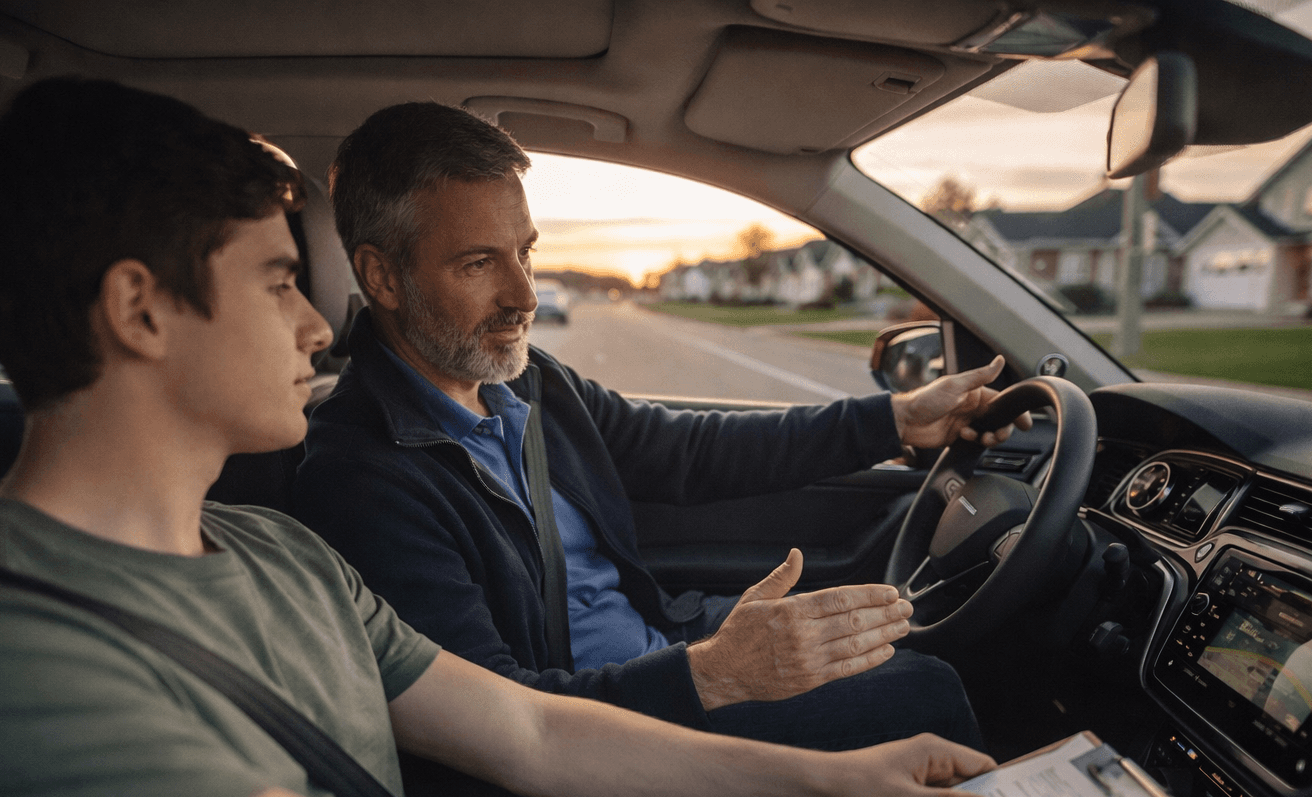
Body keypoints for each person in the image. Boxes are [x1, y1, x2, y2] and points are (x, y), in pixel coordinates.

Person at [0, 78, 1220, 797]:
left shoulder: (270, 553)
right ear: (142, 310)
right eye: (279, 279)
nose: (319, 328)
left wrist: (838, 778)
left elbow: (537, 740)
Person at [294, 101, 1031, 754]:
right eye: (479, 262)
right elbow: (497, 714)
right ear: (383, 278)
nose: (523, 294)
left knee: (920, 641)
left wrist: (895, 420)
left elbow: (685, 449)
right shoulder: (361, 473)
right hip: (616, 722)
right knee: (929, 690)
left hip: (667, 646)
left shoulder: (527, 381)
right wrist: (712, 676)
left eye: (526, 252)